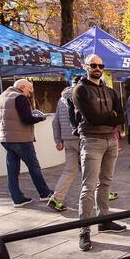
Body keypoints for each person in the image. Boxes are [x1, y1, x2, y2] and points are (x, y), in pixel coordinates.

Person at [72, 54, 126, 252]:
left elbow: (122, 115)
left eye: (100, 65)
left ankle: (105, 221)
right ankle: (84, 230)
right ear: (86, 66)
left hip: (111, 140)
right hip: (92, 140)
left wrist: (112, 118)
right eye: (93, 65)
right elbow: (92, 118)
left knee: (106, 183)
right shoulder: (80, 90)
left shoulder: (110, 91)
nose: (97, 68)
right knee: (88, 187)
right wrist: (111, 117)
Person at [0, 78, 52, 207]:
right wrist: (40, 118)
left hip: (6, 138)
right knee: (34, 167)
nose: (30, 92)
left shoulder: (1, 97)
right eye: (29, 89)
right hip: (21, 139)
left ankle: (17, 199)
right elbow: (27, 119)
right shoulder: (19, 97)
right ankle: (44, 193)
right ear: (22, 87)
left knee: (12, 171)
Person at [47, 76, 82, 212]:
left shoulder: (61, 99)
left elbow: (55, 122)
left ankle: (56, 199)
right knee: (94, 166)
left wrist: (58, 140)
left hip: (67, 140)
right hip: (81, 138)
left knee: (69, 170)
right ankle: (103, 193)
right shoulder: (81, 95)